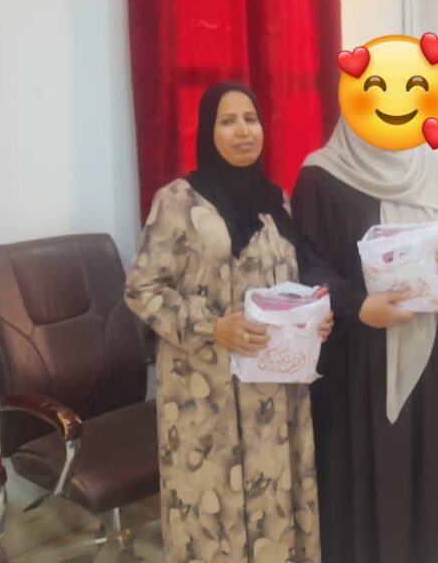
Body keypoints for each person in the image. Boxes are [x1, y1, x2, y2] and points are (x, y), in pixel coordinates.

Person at [125, 82, 332, 563]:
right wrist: (211, 326)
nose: (243, 131)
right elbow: (141, 289)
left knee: (275, 506)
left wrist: (312, 319)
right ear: (207, 131)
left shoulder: (275, 200)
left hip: (275, 393)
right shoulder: (179, 201)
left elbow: (290, 282)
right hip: (208, 393)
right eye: (228, 121)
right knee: (213, 515)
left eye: (250, 119)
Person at [290, 119, 438, 563]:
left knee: (432, 461)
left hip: (432, 352)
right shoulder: (322, 175)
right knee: (376, 463)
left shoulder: (433, 167)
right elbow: (305, 262)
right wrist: (357, 307)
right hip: (359, 354)